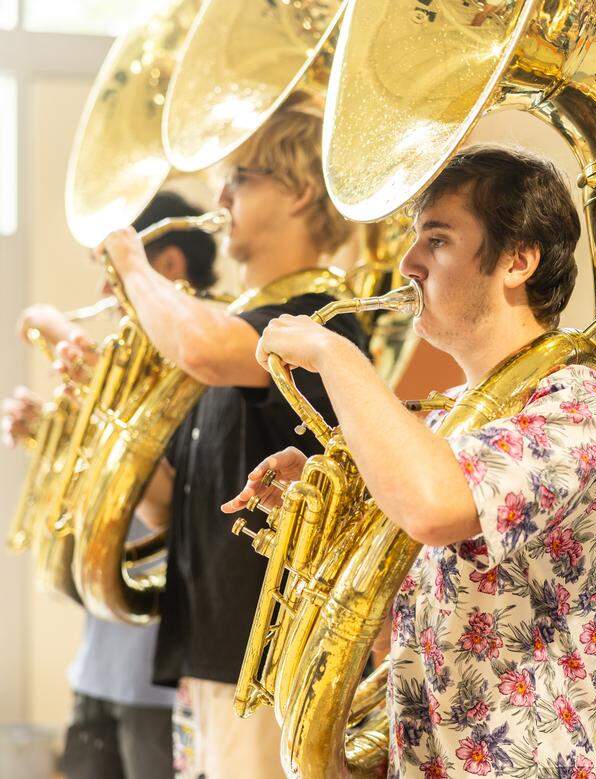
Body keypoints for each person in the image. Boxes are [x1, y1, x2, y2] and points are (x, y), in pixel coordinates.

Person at [222, 145, 596, 778]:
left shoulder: (575, 403)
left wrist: (340, 359)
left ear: (518, 260)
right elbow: (400, 634)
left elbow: (438, 509)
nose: (408, 264)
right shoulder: (443, 422)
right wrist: (328, 523)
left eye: (437, 241)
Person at [91, 92, 367, 778]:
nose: (220, 193)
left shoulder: (318, 316)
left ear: (301, 190)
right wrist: (103, 424)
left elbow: (202, 346)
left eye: (242, 176)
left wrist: (134, 265)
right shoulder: (237, 327)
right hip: (216, 653)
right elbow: (168, 505)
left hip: (269, 659)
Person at [2, 192, 215, 779]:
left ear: (168, 264)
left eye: (110, 272)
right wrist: (49, 434)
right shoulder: (138, 360)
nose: (102, 294)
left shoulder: (204, 358)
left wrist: (106, 413)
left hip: (158, 677)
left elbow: (174, 504)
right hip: (100, 660)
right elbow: (104, 493)